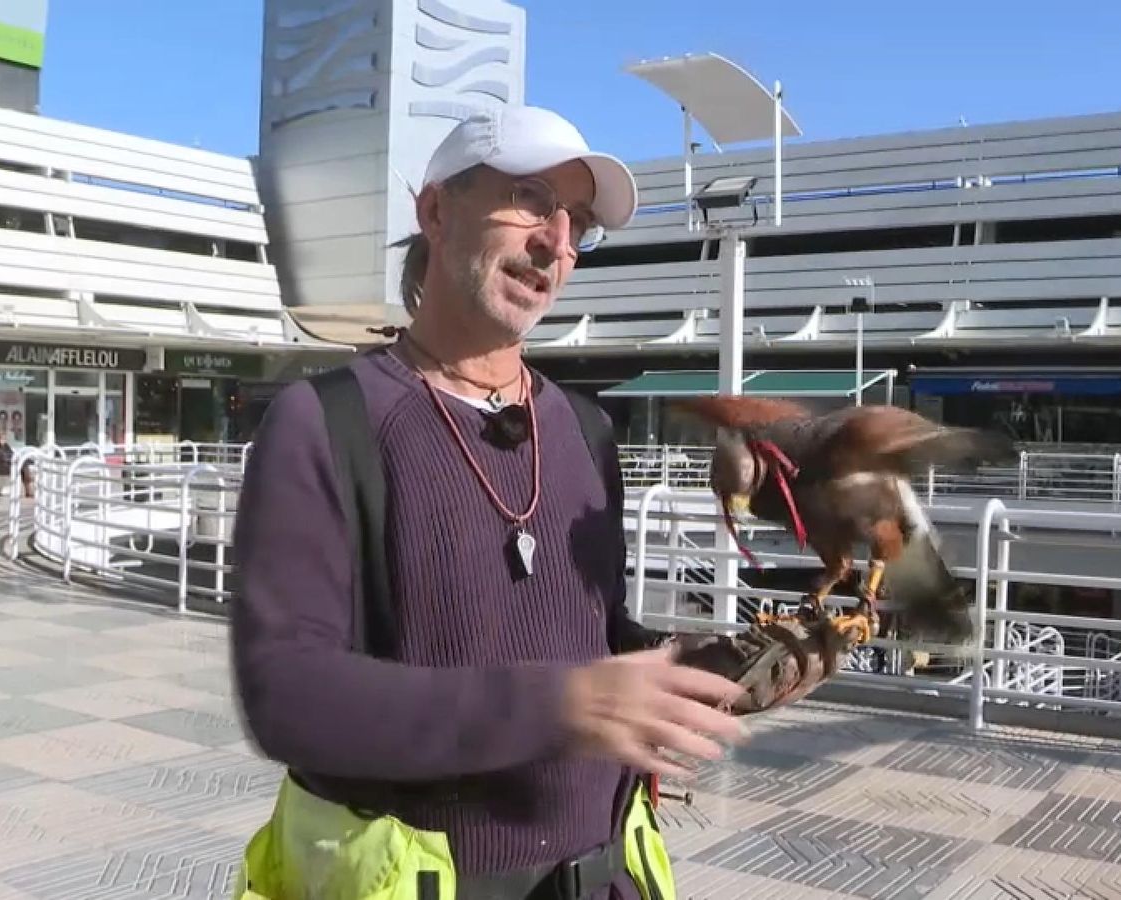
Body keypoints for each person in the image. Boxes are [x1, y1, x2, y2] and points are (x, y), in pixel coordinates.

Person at [230, 105, 750, 900]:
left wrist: (705, 668)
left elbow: (593, 633)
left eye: (576, 221)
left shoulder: (585, 429)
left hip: (602, 880)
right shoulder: (324, 422)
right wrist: (563, 703)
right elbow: (287, 696)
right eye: (533, 200)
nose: (558, 243)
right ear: (435, 210)